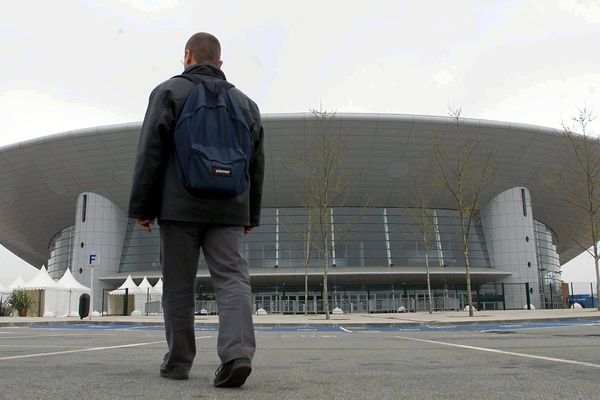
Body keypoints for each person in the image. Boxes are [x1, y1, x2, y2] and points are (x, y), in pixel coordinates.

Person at [128, 32, 264, 388]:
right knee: (233, 281)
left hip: (179, 207)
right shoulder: (246, 104)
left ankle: (178, 362)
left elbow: (150, 153)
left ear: (186, 56)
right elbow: (257, 165)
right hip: (230, 209)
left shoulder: (169, 92)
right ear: (220, 64)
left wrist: (143, 206)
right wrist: (251, 213)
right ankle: (237, 355)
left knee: (178, 286)